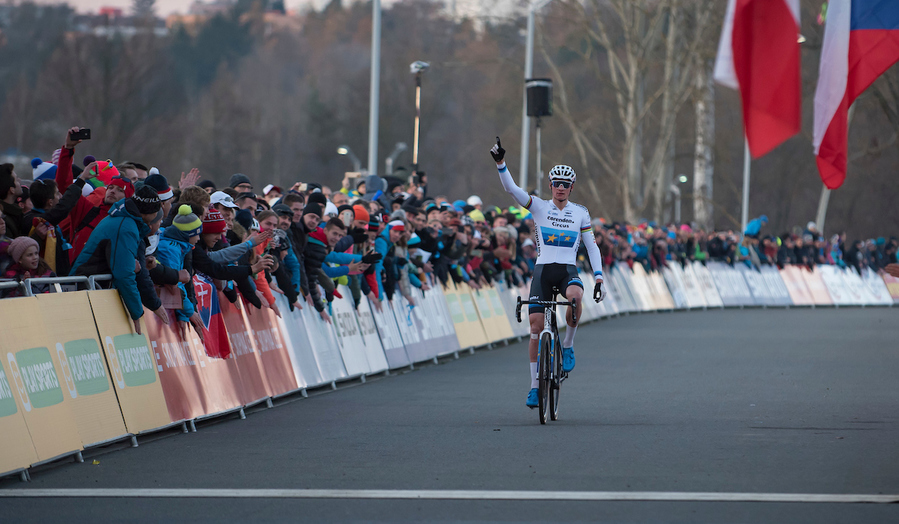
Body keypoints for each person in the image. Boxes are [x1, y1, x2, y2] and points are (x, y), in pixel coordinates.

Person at [490, 137, 604, 408]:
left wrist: (598, 276)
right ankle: (533, 387)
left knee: (575, 297)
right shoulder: (539, 206)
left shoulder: (580, 213)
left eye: (566, 185)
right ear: (550, 185)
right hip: (542, 271)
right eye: (556, 184)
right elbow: (511, 190)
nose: (561, 188)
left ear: (572, 187)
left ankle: (567, 344)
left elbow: (592, 246)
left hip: (566, 270)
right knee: (535, 328)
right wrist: (500, 163)